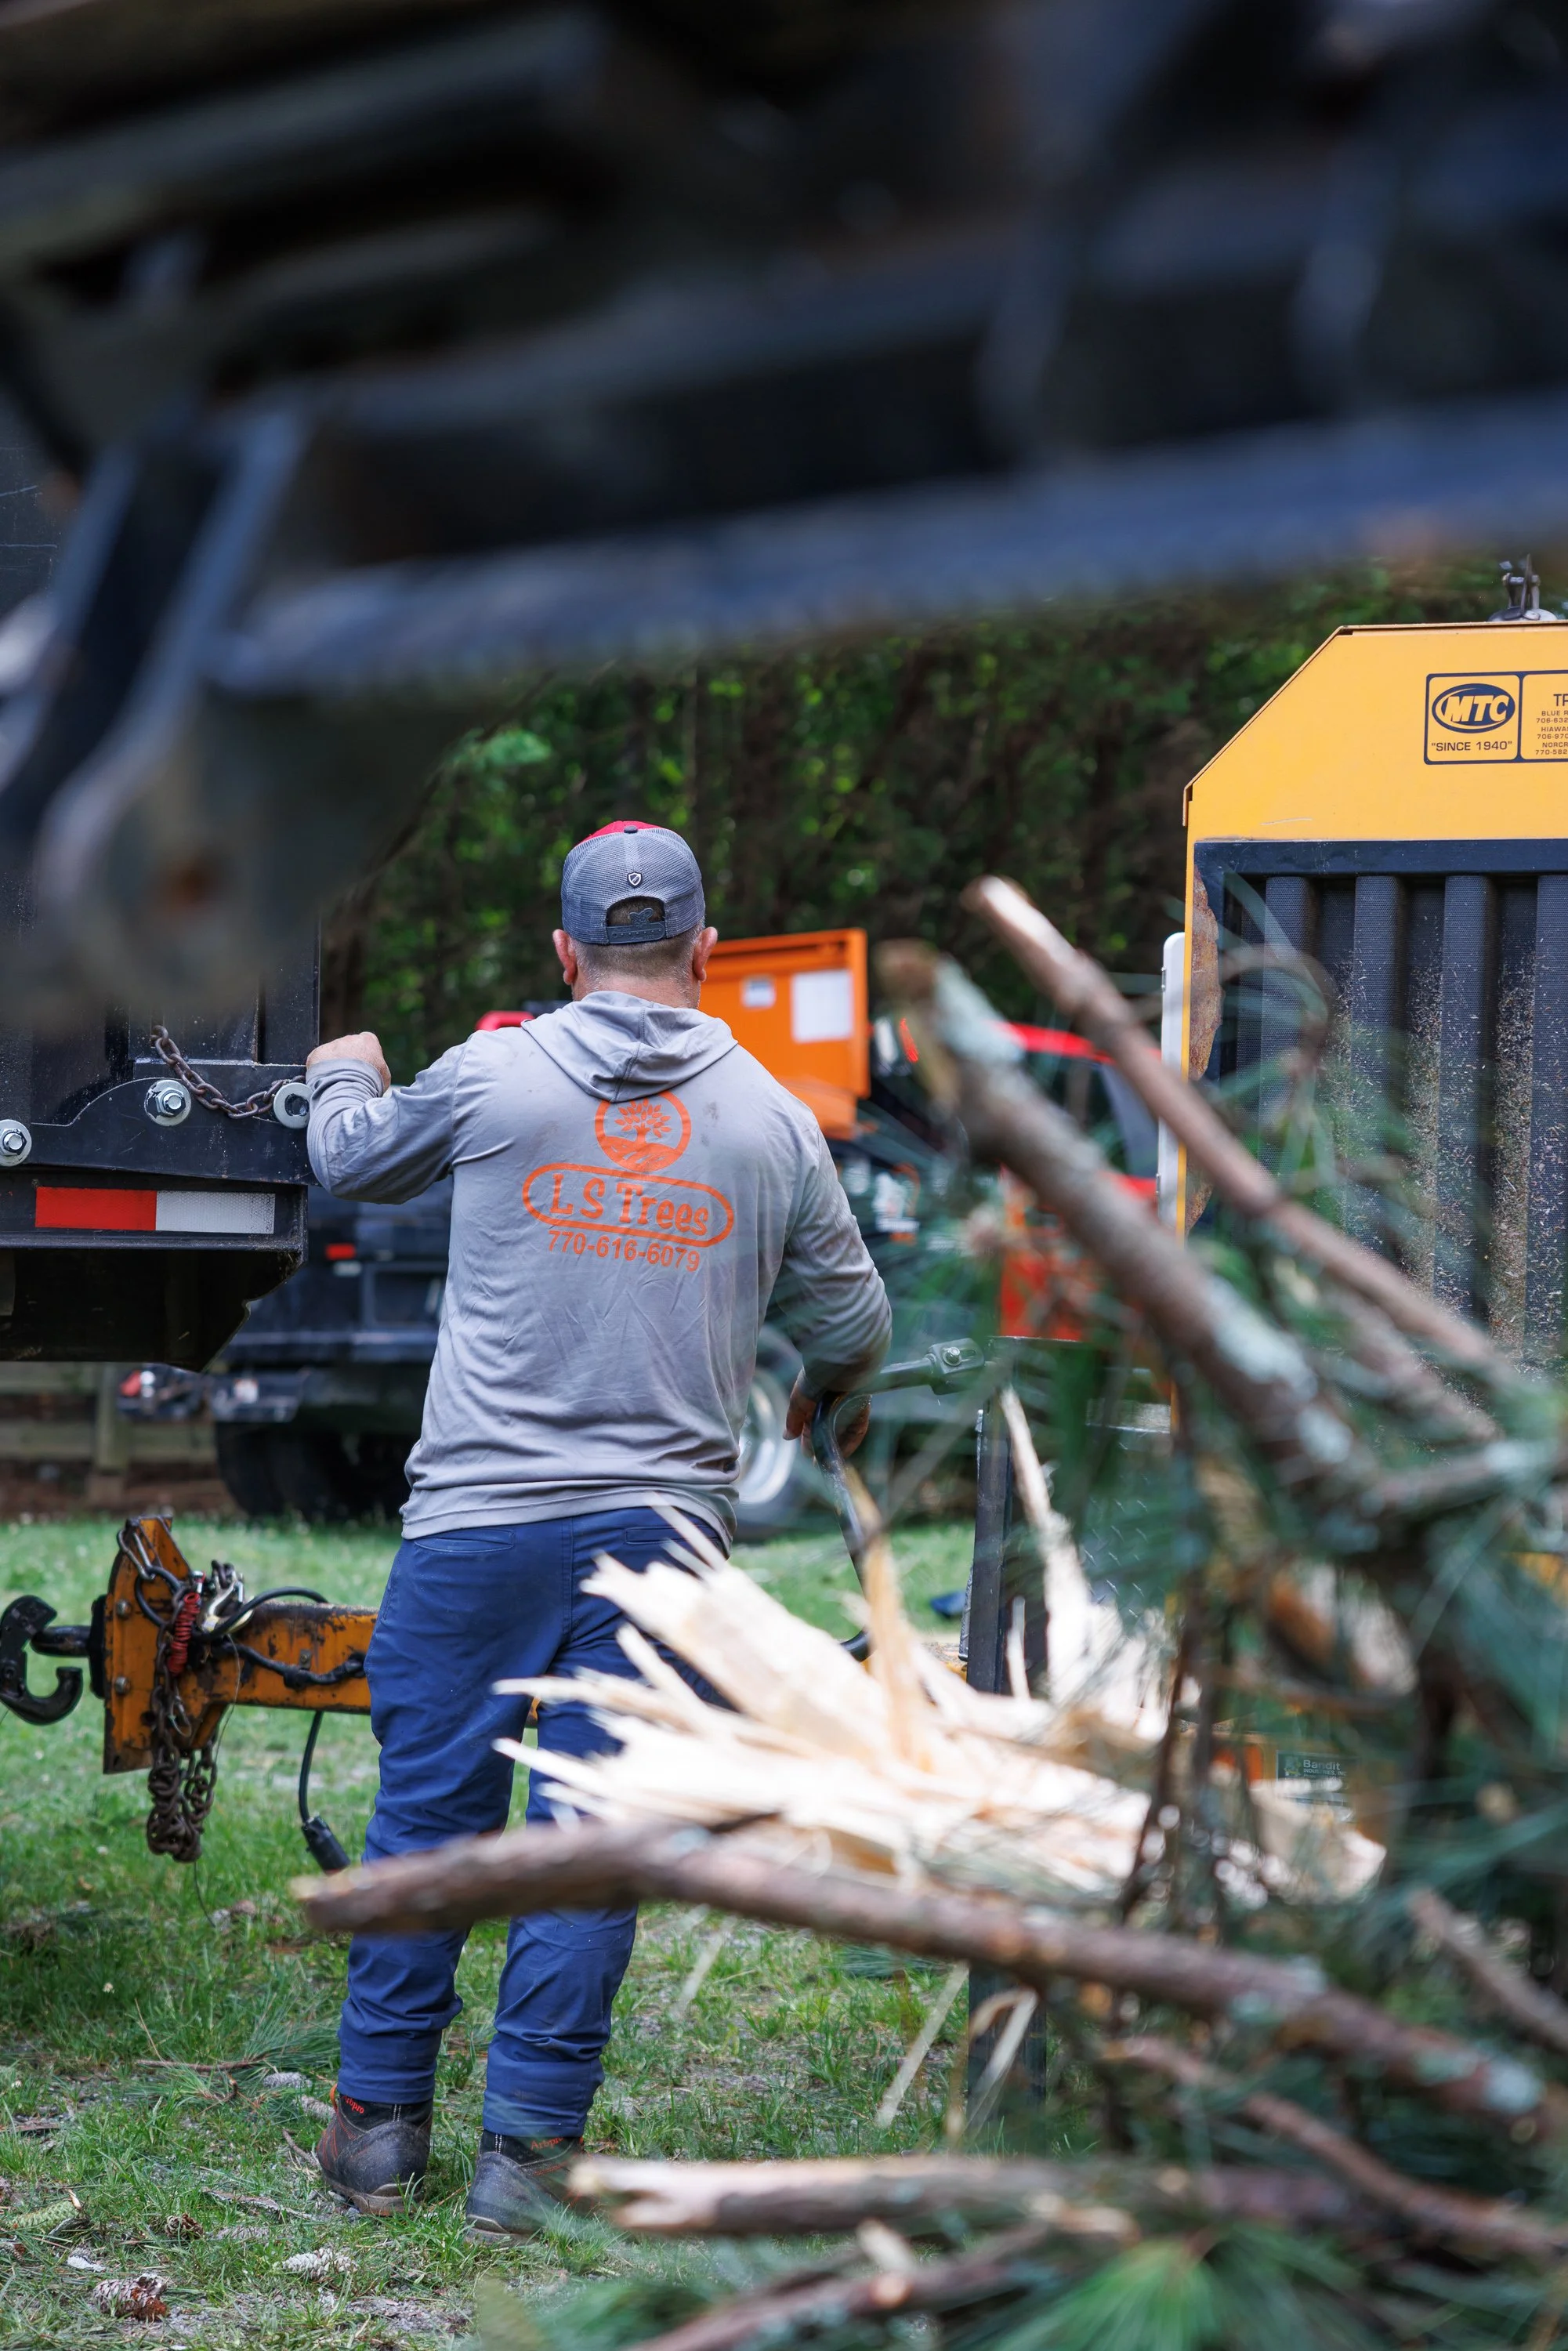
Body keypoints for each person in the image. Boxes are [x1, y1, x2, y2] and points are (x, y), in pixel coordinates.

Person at [302, 820, 891, 2233]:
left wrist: (343, 1071)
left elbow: (350, 1164)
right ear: (706, 948)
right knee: (588, 1841)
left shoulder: (497, 1072)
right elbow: (856, 1318)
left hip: (475, 1530)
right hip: (665, 1547)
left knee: (432, 1821)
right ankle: (530, 2162)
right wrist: (831, 1386)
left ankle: (378, 2133)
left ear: (564, 954)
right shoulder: (771, 1117)